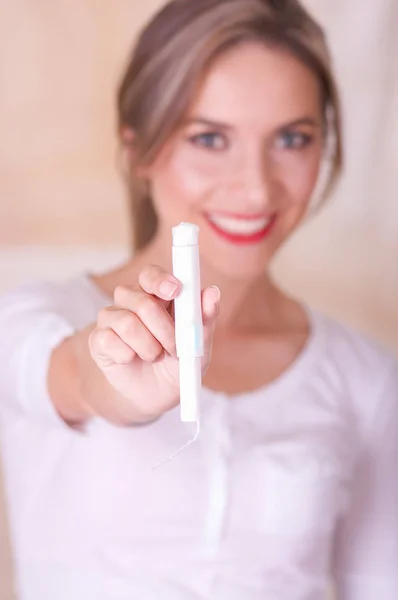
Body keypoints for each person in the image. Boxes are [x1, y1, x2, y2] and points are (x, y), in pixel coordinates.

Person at [0, 0, 397, 599]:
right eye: (210, 138)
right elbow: (78, 375)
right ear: (138, 150)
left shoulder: (367, 380)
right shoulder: (30, 320)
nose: (256, 186)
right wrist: (123, 391)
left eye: (293, 137)